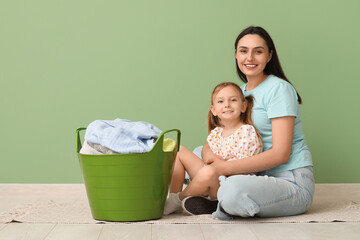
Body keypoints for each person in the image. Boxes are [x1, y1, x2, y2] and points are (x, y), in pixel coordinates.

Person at [182, 26, 314, 220]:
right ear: (236, 54)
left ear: (269, 56)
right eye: (244, 51)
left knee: (233, 190)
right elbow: (218, 136)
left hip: (289, 180)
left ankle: (218, 197)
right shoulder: (238, 92)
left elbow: (281, 153)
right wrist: (211, 158)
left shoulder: (279, 89)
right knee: (196, 151)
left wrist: (223, 168)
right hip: (253, 176)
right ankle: (215, 194)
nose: (250, 58)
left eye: (258, 51)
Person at [163, 82, 263, 215]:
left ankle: (178, 199)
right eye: (221, 101)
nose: (227, 105)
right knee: (179, 150)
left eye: (233, 100)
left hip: (229, 186)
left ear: (243, 106)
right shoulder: (216, 133)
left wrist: (215, 168)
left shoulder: (247, 132)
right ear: (214, 110)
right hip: (210, 178)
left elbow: (242, 168)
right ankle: (174, 195)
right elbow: (208, 157)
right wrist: (210, 162)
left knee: (208, 172)